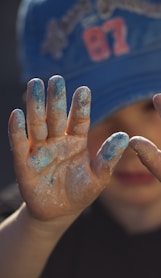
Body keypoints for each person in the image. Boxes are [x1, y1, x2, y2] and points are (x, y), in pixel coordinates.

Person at [1, 0, 161, 277]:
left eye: (151, 106)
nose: (130, 143)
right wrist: (40, 227)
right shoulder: (27, 218)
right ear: (45, 117)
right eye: (93, 111)